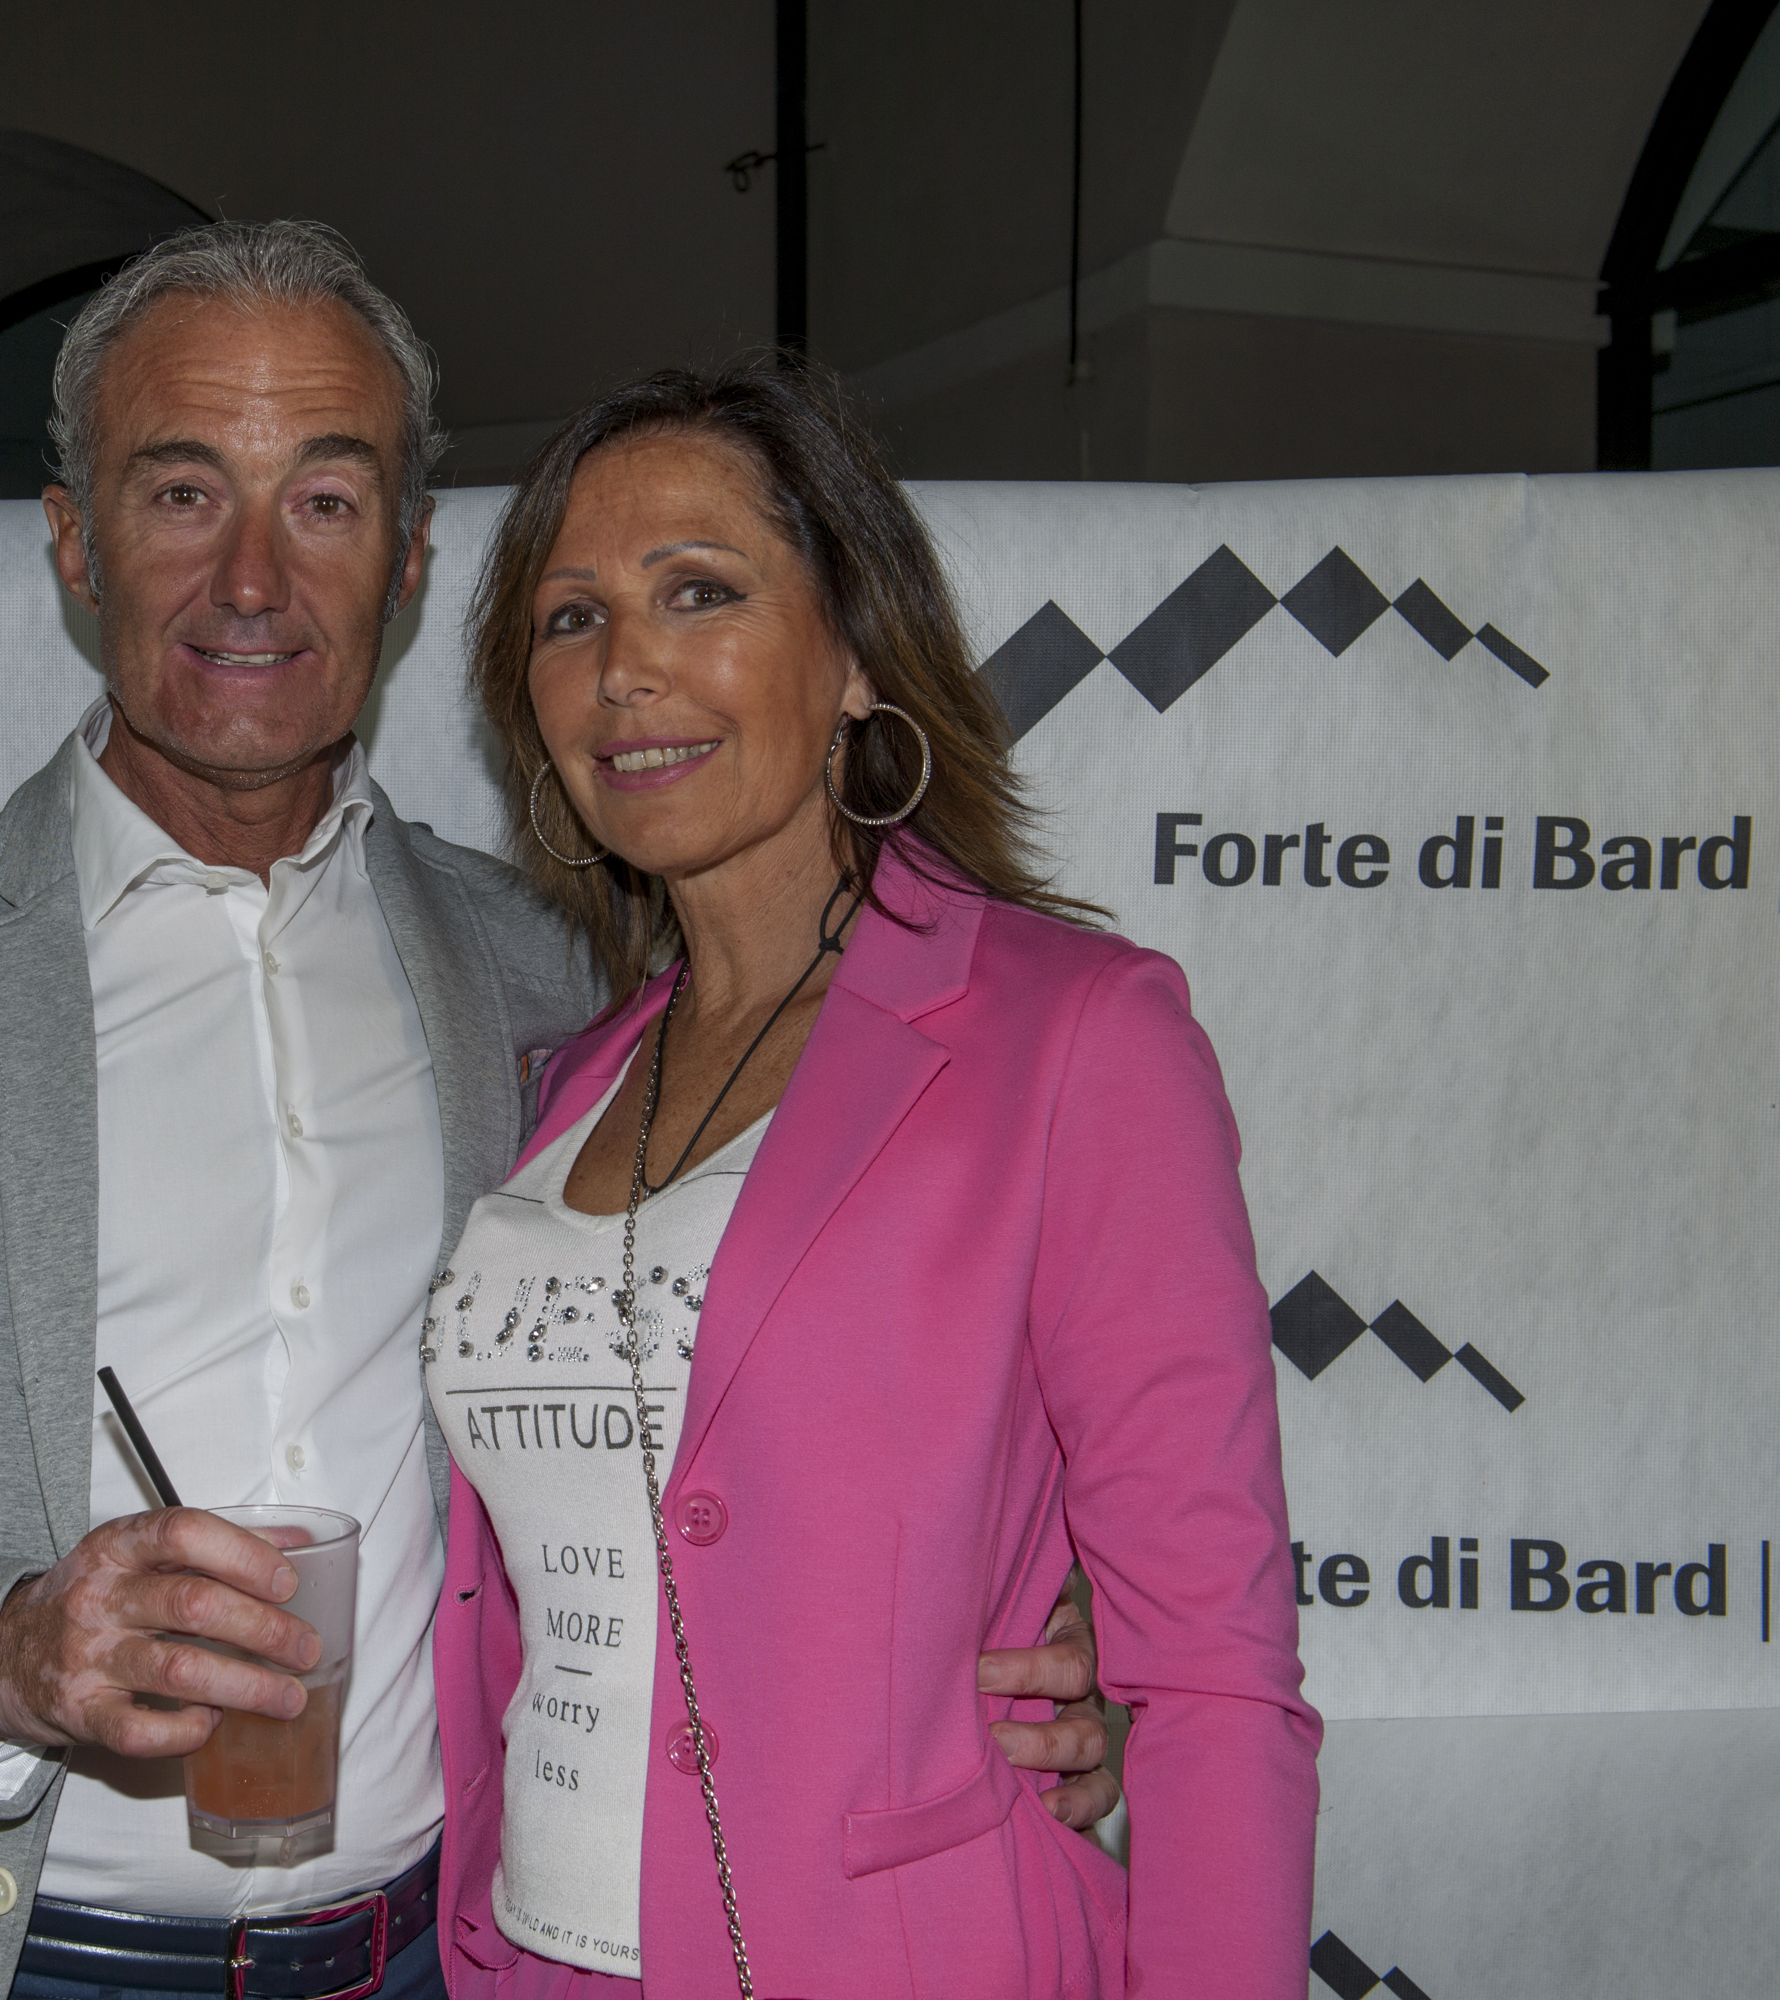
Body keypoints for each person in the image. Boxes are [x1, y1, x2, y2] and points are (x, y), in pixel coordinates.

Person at [0, 221, 1116, 2000]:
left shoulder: (560, 983)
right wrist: (2, 1648)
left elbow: (767, 1409)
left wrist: (1040, 1647)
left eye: (325, 501)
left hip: (427, 1958)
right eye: (184, 492)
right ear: (75, 541)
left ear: (408, 560)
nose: (253, 578)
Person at [429, 360, 1318, 1999]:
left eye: (699, 591)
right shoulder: (569, 1082)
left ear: (853, 653)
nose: (625, 667)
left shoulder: (1074, 1039)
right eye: (571, 618)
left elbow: (1213, 1674)